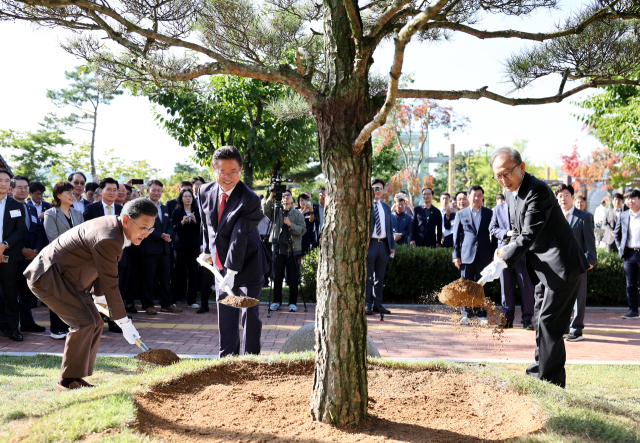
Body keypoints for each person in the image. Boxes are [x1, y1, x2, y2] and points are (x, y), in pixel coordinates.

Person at [482, 147, 589, 388]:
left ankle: (551, 383)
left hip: (562, 268)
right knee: (540, 321)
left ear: (521, 167)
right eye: (497, 176)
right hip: (542, 270)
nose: (502, 180)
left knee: (550, 323)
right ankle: (539, 372)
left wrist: (502, 261)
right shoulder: (510, 193)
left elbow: (528, 234)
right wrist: (500, 255)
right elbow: (517, 233)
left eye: (506, 173)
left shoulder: (538, 190)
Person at [25, 199, 154, 391]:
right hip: (49, 277)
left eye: (150, 229)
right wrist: (124, 322)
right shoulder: (110, 237)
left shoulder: (115, 228)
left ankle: (76, 376)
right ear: (126, 220)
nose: (146, 234)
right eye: (143, 227)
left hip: (70, 280)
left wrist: (100, 298)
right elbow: (111, 282)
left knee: (96, 322)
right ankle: (66, 381)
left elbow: (102, 268)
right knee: (83, 323)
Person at [199, 146, 269, 357]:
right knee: (227, 313)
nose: (227, 177)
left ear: (240, 170)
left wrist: (230, 272)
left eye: (233, 171)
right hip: (221, 265)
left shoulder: (250, 199)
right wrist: (206, 250)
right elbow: (206, 225)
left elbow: (239, 237)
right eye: (222, 171)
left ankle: (250, 361)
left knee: (249, 311)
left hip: (248, 264)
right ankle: (227, 361)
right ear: (213, 170)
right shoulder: (204, 191)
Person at [555, 184, 597, 341]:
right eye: (560, 196)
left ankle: (577, 329)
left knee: (578, 299)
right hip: (558, 265)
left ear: (572, 197)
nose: (563, 198)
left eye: (566, 195)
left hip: (578, 265)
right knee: (561, 298)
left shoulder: (584, 217)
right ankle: (564, 326)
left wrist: (590, 261)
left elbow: (589, 243)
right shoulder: (554, 216)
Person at [43, 182, 85, 340]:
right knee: (58, 294)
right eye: (69, 192)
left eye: (73, 192)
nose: (72, 195)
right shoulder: (51, 214)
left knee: (73, 295)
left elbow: (83, 236)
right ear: (58, 195)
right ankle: (56, 329)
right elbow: (53, 239)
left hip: (76, 261)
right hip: (58, 260)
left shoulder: (78, 214)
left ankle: (70, 326)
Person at [489, 197, 535, 329]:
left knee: (526, 287)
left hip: (522, 253)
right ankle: (507, 318)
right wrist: (506, 233)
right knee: (506, 288)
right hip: (504, 254)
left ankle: (527, 319)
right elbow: (492, 228)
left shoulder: (526, 206)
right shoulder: (498, 208)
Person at [9, 176, 46, 334]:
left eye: (26, 187)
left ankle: (27, 322)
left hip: (31, 256)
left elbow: (37, 230)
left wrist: (36, 249)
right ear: (12, 189)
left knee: (26, 291)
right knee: (11, 293)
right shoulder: (10, 208)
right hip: (14, 256)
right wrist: (22, 249)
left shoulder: (30, 208)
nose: (23, 190)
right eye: (19, 187)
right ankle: (9, 326)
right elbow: (11, 233)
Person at [138, 180, 180, 315]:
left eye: (159, 190)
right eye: (154, 190)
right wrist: (159, 235)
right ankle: (148, 304)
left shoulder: (164, 207)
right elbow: (143, 227)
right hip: (149, 248)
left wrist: (168, 234)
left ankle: (166, 304)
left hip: (165, 249)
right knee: (148, 278)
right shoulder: (143, 207)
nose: (156, 193)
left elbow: (169, 224)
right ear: (148, 190)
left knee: (166, 277)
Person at [452, 185, 493, 324]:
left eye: (479, 195)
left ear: (482, 197)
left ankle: (482, 314)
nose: (477, 198)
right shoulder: (460, 214)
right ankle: (466, 314)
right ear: (468, 197)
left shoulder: (489, 213)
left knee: (482, 285)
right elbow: (456, 237)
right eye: (474, 195)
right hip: (466, 254)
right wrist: (455, 255)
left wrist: (493, 253)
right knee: (466, 285)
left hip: (484, 254)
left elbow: (493, 234)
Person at [264, 189, 306, 311]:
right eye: (283, 195)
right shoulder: (276, 211)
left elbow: (302, 230)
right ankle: (276, 301)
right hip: (278, 248)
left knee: (293, 277)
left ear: (292, 199)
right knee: (277, 277)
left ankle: (292, 303)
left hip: (293, 248)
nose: (285, 197)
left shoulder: (297, 214)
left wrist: (290, 225)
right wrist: (271, 193)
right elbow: (265, 210)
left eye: (288, 195)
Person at [0, 169, 28, 342]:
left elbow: (19, 231)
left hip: (9, 255)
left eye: (6, 181)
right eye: (0, 180)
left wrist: (4, 246)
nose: (3, 183)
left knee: (10, 293)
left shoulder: (16, 206)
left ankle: (13, 328)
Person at [365, 178, 395, 316]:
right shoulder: (365, 206)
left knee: (380, 278)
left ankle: (378, 304)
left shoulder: (387, 207)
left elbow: (389, 228)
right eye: (375, 188)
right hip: (370, 244)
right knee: (368, 277)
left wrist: (392, 246)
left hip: (383, 245)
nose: (377, 191)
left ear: (383, 191)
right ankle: (367, 304)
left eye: (380, 188)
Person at [171, 188, 201, 308]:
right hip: (180, 247)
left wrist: (194, 221)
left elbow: (201, 228)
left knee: (193, 273)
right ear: (181, 199)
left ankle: (192, 300)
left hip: (193, 247)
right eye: (185, 196)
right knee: (178, 273)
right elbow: (173, 228)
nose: (188, 198)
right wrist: (182, 223)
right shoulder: (177, 212)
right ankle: (174, 299)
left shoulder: (197, 211)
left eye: (190, 196)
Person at [614, 188, 640, 320]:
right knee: (630, 284)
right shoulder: (623, 215)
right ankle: (633, 310)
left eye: (633, 198)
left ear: (639, 199)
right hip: (629, 254)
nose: (630, 201)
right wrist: (620, 247)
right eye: (628, 199)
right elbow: (617, 234)